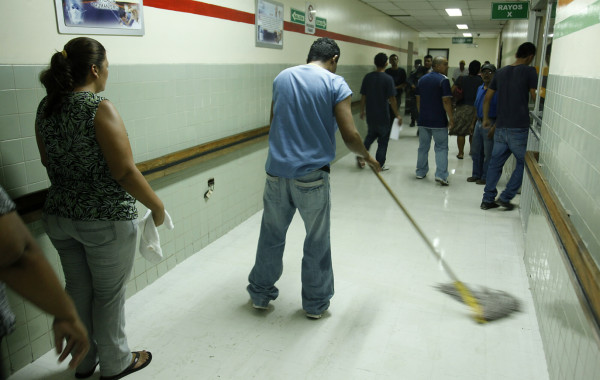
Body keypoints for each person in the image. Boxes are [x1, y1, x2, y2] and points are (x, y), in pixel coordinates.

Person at [35, 37, 164, 379]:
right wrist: (157, 204)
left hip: (60, 216)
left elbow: (47, 159)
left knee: (77, 288)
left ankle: (85, 360)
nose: (108, 71)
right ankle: (116, 362)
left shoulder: (46, 107)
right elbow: (123, 171)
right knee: (108, 296)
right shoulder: (98, 107)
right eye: (106, 65)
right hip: (105, 220)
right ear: (94, 69)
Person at [247, 37, 380, 320]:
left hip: (275, 172)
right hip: (312, 177)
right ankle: (315, 304)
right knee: (316, 240)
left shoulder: (282, 77)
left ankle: (260, 294)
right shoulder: (335, 83)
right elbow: (350, 134)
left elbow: (274, 122)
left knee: (271, 235)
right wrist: (367, 156)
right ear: (333, 58)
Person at [0, 185, 89, 379]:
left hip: (58, 213)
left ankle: (86, 364)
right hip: (102, 212)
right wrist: (66, 314)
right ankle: (116, 361)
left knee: (77, 282)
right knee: (108, 292)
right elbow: (14, 252)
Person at [480, 42, 537, 210]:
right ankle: (506, 197)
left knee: (494, 164)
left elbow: (487, 97)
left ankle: (487, 200)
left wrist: (485, 119)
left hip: (501, 127)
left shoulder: (501, 72)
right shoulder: (529, 71)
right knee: (523, 163)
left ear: (516, 54)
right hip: (518, 128)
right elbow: (535, 96)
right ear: (530, 56)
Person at [358, 52, 401, 170]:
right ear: (386, 63)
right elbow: (392, 99)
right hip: (383, 115)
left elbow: (363, 96)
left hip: (371, 114)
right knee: (383, 141)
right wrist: (397, 114)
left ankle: (361, 155)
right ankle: (379, 165)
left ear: (375, 63)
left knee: (371, 135)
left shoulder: (368, 77)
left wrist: (362, 110)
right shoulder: (388, 79)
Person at [415, 56, 454, 186]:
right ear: (437, 66)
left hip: (423, 120)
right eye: (445, 64)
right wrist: (451, 118)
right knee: (441, 147)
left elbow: (418, 100)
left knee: (423, 147)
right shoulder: (443, 80)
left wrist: (422, 115)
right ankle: (441, 175)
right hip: (438, 121)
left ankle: (420, 171)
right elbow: (446, 101)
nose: (447, 66)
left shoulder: (421, 80)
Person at [468, 63, 498, 185]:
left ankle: (486, 177)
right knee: (476, 151)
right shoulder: (480, 88)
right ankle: (476, 174)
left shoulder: (497, 90)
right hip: (478, 123)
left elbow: (502, 110)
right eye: (484, 72)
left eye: (489, 72)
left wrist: (495, 127)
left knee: (488, 153)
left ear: (495, 75)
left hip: (490, 123)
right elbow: (476, 107)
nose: (486, 75)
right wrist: (472, 123)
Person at [450, 60, 483, 159]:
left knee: (461, 132)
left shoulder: (461, 79)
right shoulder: (481, 81)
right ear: (479, 69)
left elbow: (451, 91)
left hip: (462, 108)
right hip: (476, 109)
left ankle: (461, 153)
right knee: (473, 132)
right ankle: (472, 151)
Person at [407, 56, 431, 127]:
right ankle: (420, 123)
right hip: (416, 94)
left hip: (428, 96)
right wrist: (412, 84)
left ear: (431, 62)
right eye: (425, 61)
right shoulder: (419, 69)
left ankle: (422, 126)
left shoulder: (434, 70)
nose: (426, 62)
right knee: (414, 110)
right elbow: (409, 78)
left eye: (428, 61)